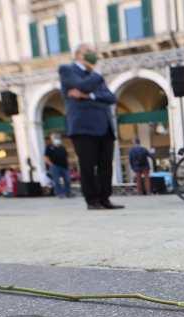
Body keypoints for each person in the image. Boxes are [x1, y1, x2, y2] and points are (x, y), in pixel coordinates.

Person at [59, 43, 123, 210]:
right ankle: (92, 200)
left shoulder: (93, 75)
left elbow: (111, 97)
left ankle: (105, 198)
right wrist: (93, 79)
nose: (93, 55)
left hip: (105, 126)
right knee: (88, 165)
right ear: (78, 55)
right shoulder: (67, 70)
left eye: (94, 52)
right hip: (83, 127)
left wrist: (89, 95)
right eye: (89, 52)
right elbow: (81, 86)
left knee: (106, 165)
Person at [44, 133, 72, 198]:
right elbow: (46, 157)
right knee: (56, 181)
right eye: (55, 137)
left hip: (65, 166)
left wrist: (69, 164)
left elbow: (66, 156)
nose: (57, 139)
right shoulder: (49, 147)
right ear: (52, 139)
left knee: (67, 180)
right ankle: (59, 193)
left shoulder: (62, 147)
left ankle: (68, 193)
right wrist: (51, 164)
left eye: (58, 137)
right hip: (55, 166)